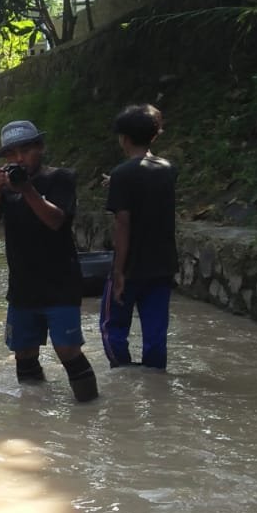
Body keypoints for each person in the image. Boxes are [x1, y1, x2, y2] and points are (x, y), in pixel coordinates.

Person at [0, 120, 98, 402]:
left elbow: (56, 220)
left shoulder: (60, 178)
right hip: (22, 285)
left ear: (40, 148)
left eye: (25, 150)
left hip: (61, 282)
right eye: (12, 154)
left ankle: (91, 410)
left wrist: (26, 189)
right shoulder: (7, 186)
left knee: (68, 350)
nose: (19, 159)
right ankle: (32, 412)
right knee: (23, 352)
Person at [100, 104, 178, 369]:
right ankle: (154, 378)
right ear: (154, 135)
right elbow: (148, 191)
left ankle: (124, 375)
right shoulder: (168, 169)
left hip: (131, 267)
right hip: (162, 265)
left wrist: (118, 272)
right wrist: (117, 183)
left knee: (113, 328)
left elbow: (123, 223)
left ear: (124, 138)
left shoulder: (122, 174)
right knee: (156, 334)